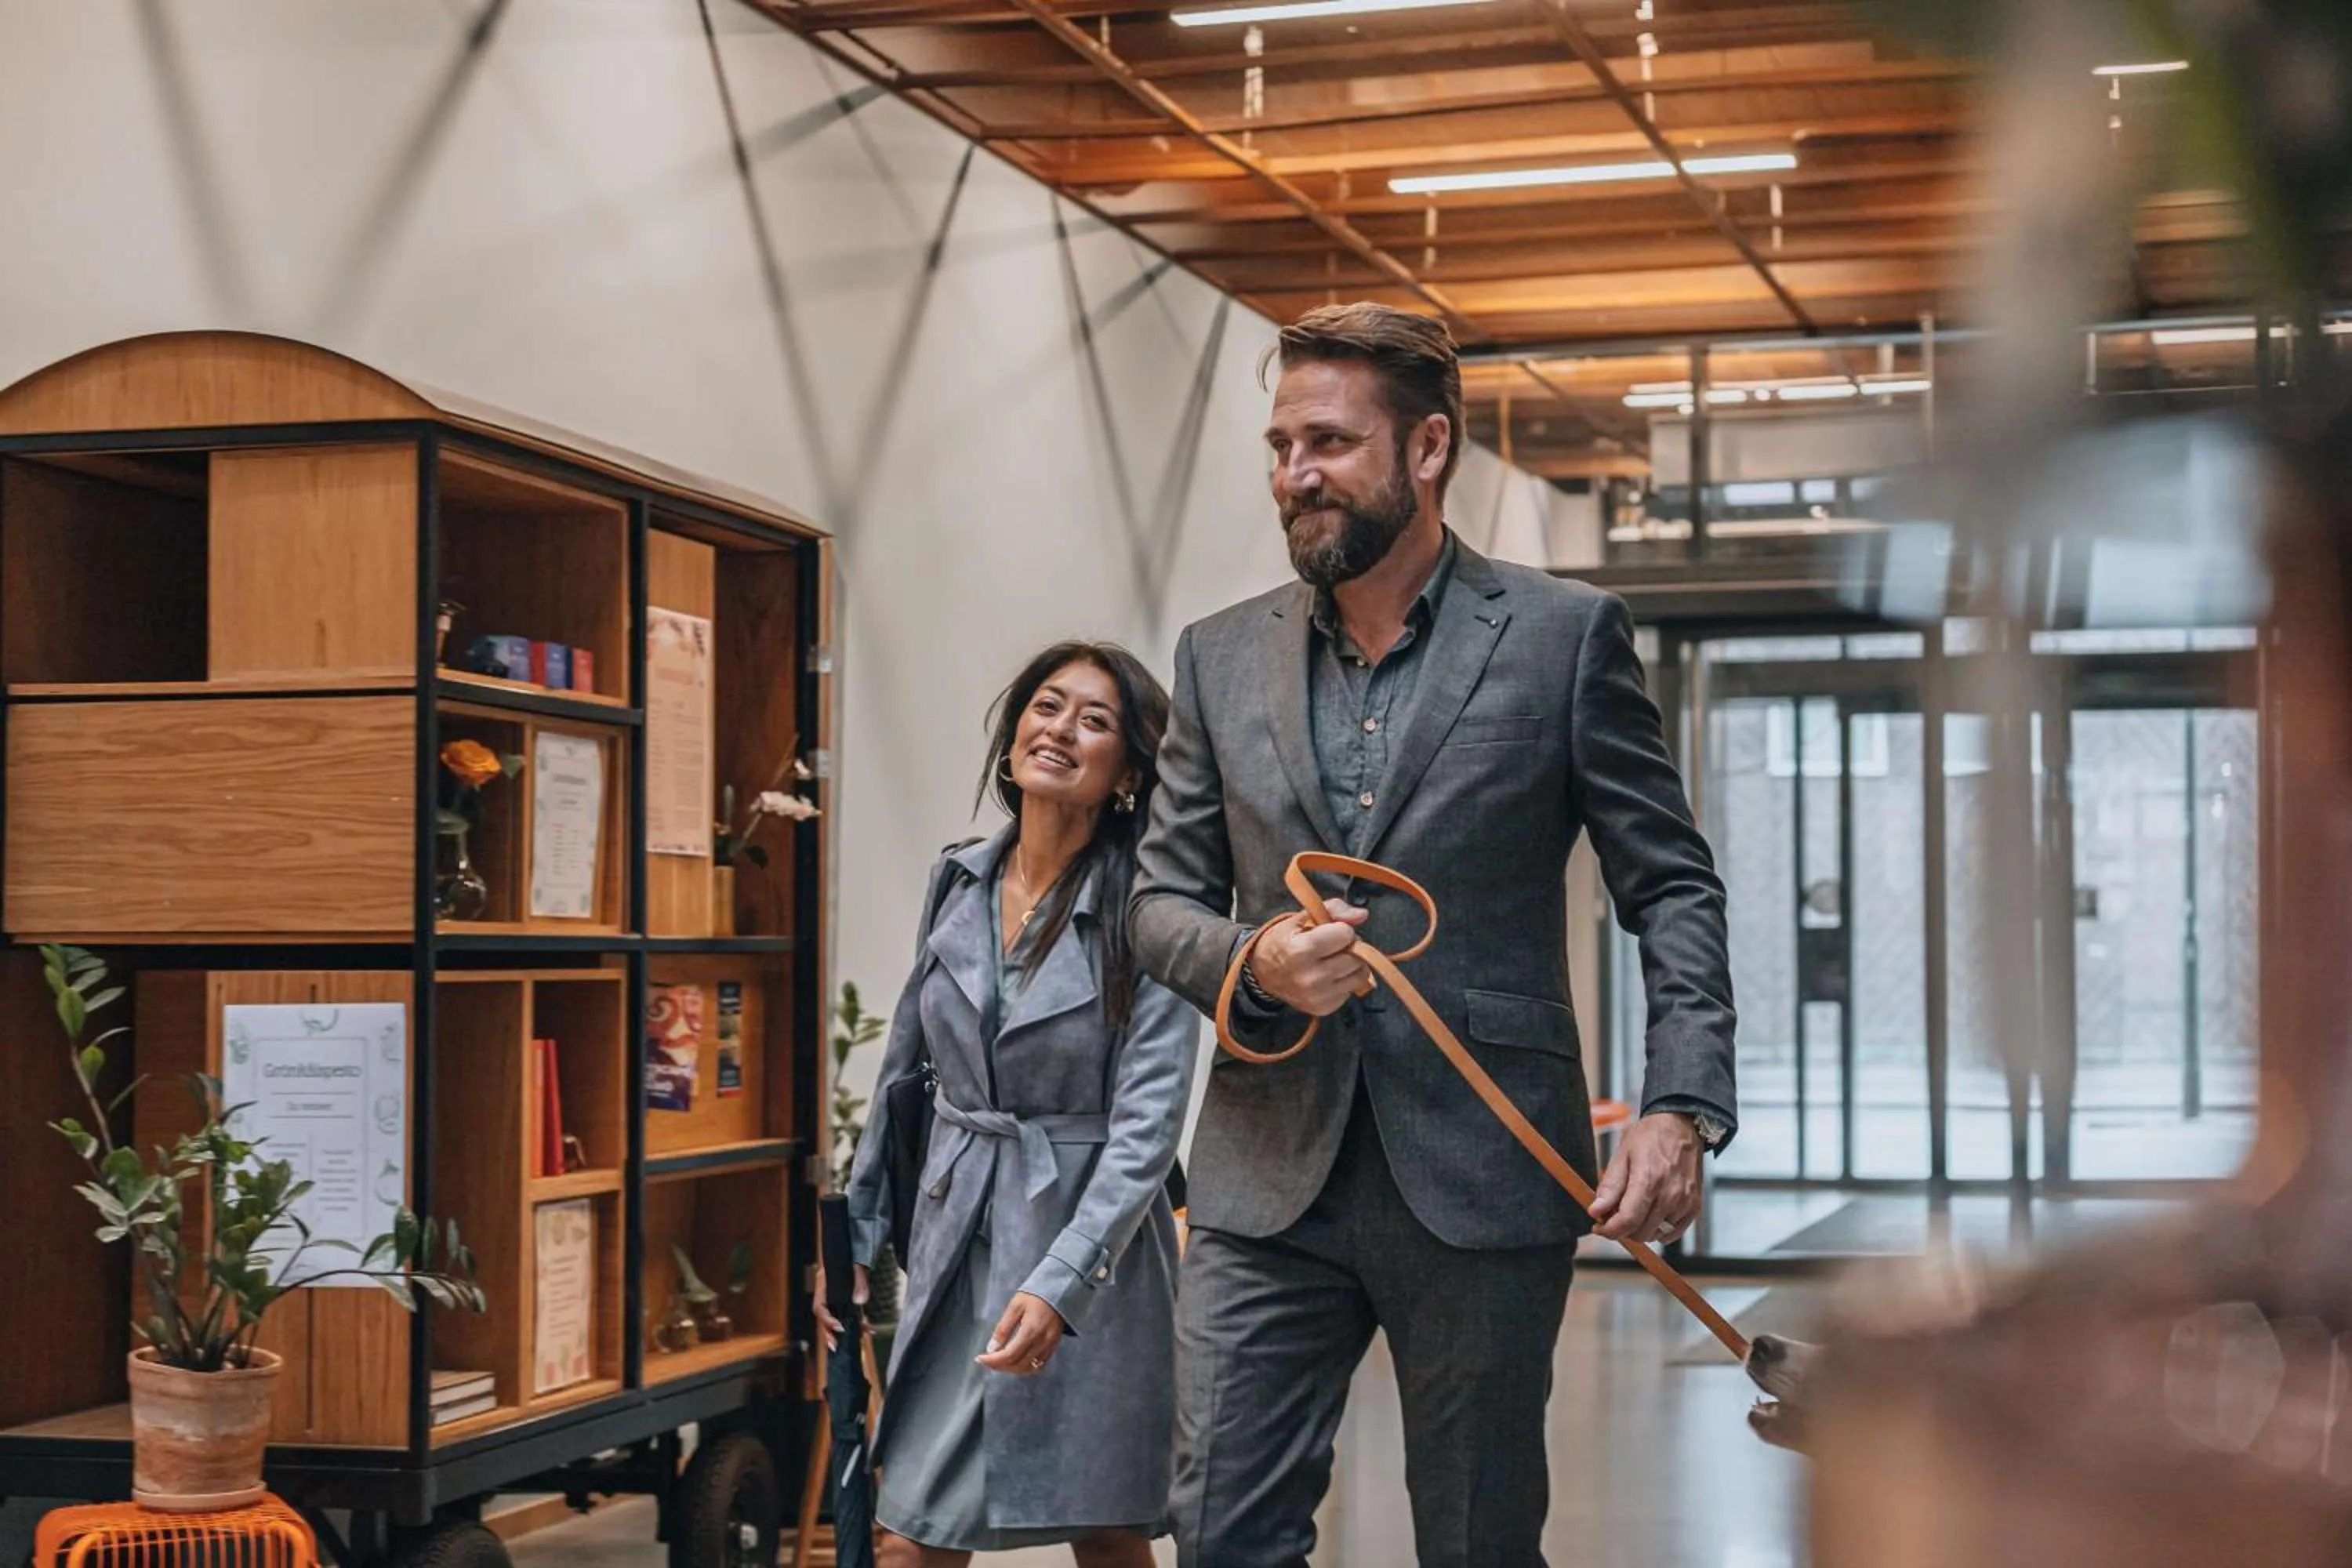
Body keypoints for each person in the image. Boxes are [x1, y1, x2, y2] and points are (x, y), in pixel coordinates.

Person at [1131, 301, 1739, 1568]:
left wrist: (1682, 1102)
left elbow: (1672, 885)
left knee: (1476, 1540)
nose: (1296, 473)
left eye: (1332, 443)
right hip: (1263, 1174)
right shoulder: (1215, 659)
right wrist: (1255, 965)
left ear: (1427, 450)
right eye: (1282, 443)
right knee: (1221, 1533)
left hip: (1485, 1170)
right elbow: (1157, 903)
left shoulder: (1565, 643)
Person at [826, 641, 1196, 1568]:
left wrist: (1062, 1279)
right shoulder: (958, 878)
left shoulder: (1151, 907)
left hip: (1090, 1249)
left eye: (1095, 719)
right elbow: (905, 1076)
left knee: (1106, 1525)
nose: (1061, 728)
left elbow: (1149, 1127)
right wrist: (857, 1244)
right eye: (1047, 704)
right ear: (1013, 731)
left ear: (1128, 771)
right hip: (957, 1235)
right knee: (915, 1527)